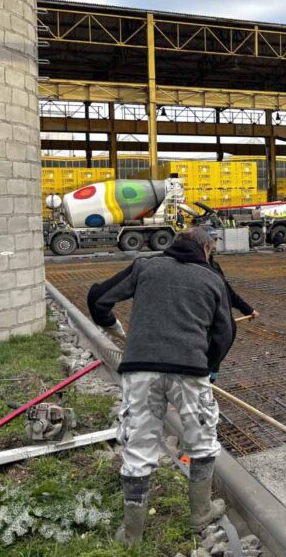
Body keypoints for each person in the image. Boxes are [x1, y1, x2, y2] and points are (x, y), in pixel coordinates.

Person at [86, 227, 235, 546]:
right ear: (206, 249)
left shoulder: (145, 266)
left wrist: (112, 325)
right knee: (202, 441)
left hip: (140, 371)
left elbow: (98, 298)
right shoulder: (212, 279)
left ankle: (132, 535)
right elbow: (225, 333)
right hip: (189, 372)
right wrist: (210, 367)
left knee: (138, 447)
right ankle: (200, 513)